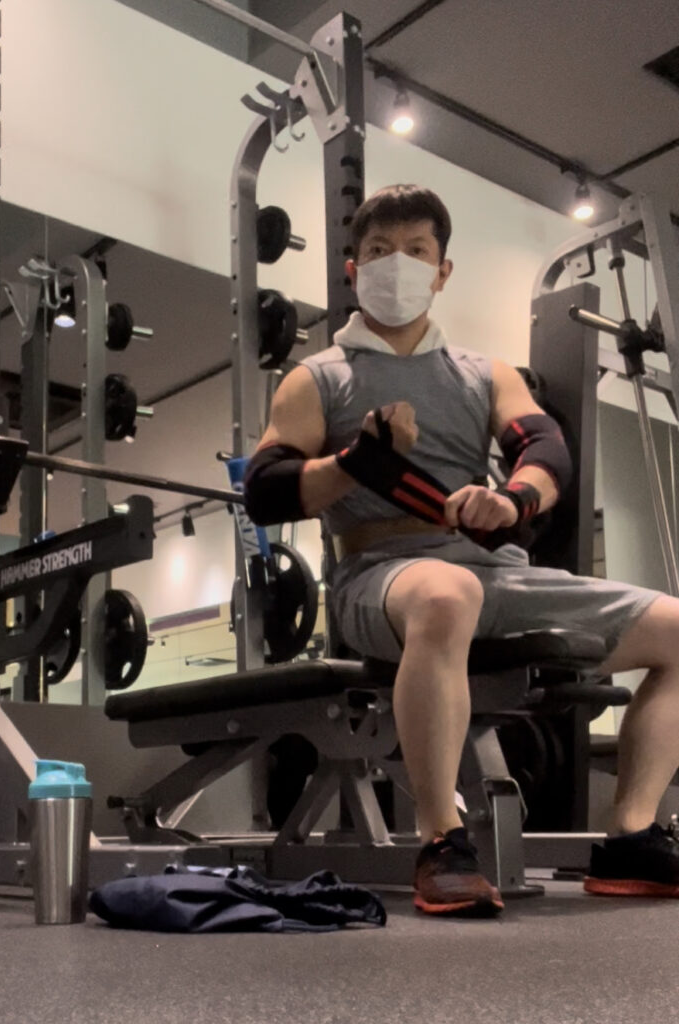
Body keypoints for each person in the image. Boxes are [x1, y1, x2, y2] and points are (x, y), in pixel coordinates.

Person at [243, 183, 679, 916]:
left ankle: (630, 835)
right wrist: (356, 460)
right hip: (377, 578)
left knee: (675, 629)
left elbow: (543, 448)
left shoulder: (484, 372)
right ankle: (441, 840)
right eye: (379, 252)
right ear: (352, 268)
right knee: (448, 593)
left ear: (443, 271)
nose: (397, 265)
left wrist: (513, 498)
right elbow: (267, 489)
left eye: (416, 251)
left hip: (490, 568)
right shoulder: (316, 377)